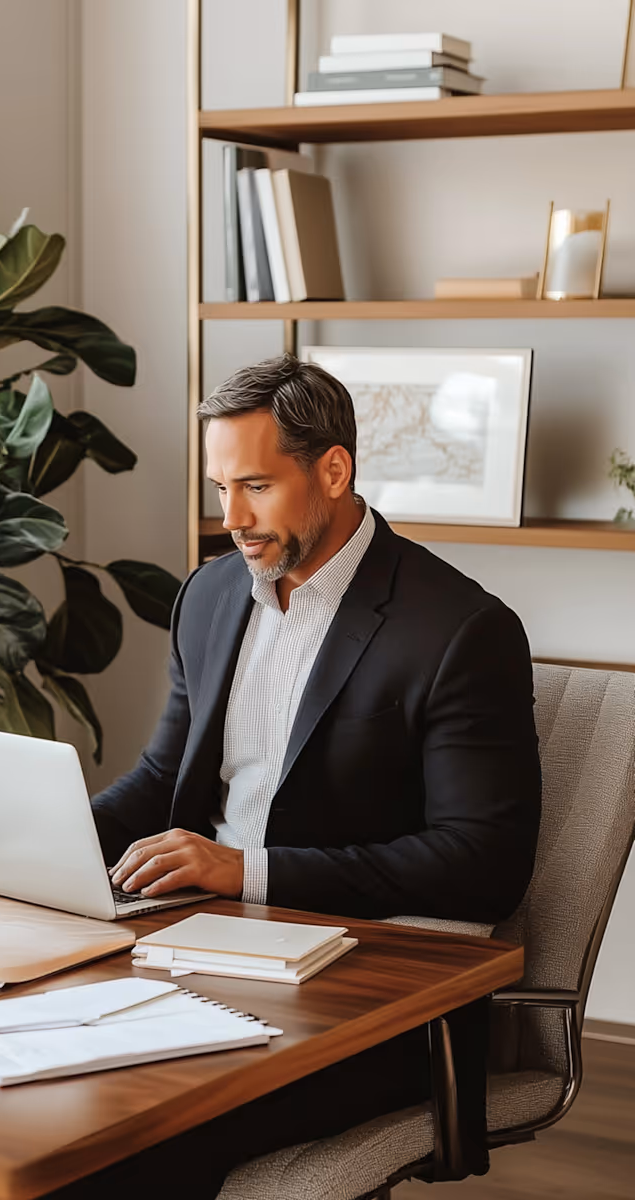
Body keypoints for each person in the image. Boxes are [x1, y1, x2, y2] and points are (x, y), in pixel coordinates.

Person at [53, 354, 541, 1200]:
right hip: (197, 949)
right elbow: (166, 778)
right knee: (38, 1085)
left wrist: (248, 872)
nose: (232, 517)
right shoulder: (210, 596)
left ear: (334, 469)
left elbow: (483, 863)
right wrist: (39, 836)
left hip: (369, 993)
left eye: (256, 486)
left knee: (126, 1132)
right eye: (218, 489)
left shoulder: (462, 630)